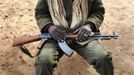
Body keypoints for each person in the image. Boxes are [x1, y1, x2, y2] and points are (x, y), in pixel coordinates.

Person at [35, 0, 114, 75]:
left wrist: (89, 25)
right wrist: (49, 27)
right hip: (55, 37)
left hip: (82, 35)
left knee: (103, 58)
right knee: (43, 61)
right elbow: (41, 13)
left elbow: (98, 11)